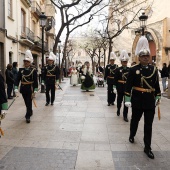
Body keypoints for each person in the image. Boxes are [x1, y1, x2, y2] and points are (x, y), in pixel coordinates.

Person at [124, 36, 161, 159]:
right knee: (135, 120)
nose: (145, 58)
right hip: (137, 100)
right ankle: (132, 134)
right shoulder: (134, 69)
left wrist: (157, 97)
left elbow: (156, 86)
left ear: (149, 57)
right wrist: (127, 100)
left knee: (148, 125)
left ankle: (147, 147)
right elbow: (128, 86)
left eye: (147, 56)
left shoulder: (154, 69)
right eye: (143, 56)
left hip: (150, 101)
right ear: (139, 57)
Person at [14, 50, 38, 123]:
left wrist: (35, 89)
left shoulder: (33, 70)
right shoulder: (21, 70)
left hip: (30, 88)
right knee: (26, 102)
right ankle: (30, 111)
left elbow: (35, 80)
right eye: (25, 61)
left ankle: (28, 116)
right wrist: (15, 87)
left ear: (29, 63)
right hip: (23, 88)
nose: (26, 63)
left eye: (27, 62)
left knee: (29, 102)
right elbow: (17, 79)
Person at [114, 50, 130, 122]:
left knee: (126, 102)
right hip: (120, 87)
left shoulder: (130, 70)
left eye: (126, 62)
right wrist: (115, 87)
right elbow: (115, 79)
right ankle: (118, 109)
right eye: (123, 62)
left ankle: (125, 115)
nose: (124, 63)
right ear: (121, 62)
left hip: (127, 87)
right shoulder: (118, 69)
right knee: (119, 100)